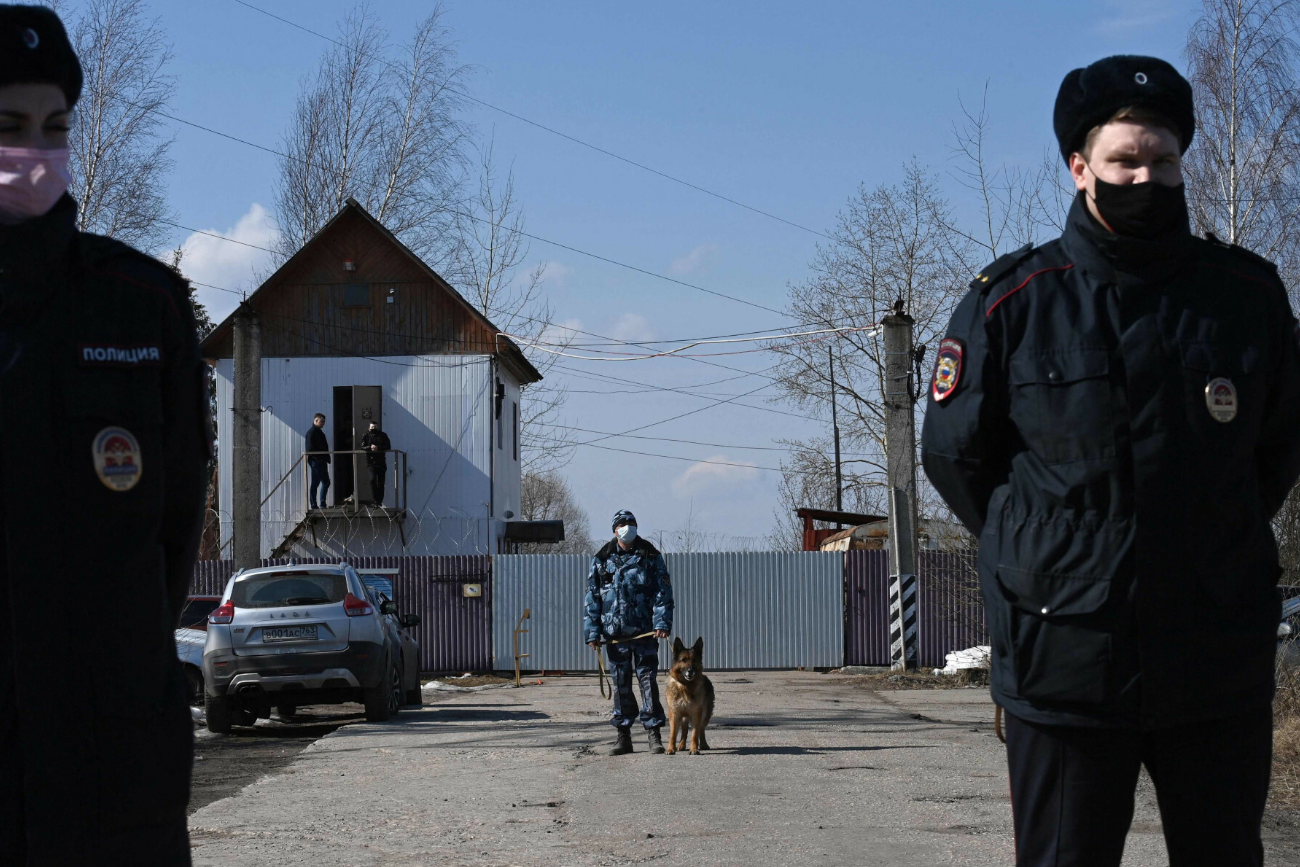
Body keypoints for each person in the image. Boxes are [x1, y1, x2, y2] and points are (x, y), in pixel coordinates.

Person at [921, 54, 1300, 867]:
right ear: (1079, 166)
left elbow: (1278, 446)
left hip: (1214, 660)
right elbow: (956, 455)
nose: (1146, 178)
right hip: (1066, 663)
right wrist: (1046, 551)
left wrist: (1214, 533)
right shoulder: (1013, 303)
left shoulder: (1245, 297)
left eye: (1163, 160)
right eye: (1125, 160)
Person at [0, 6, 209, 864]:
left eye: (53, 127)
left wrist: (112, 647)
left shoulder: (141, 306)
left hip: (113, 774)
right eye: (9, 126)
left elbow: (175, 530)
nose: (34, 152)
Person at [583, 510, 673, 755]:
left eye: (631, 523)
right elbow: (592, 597)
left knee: (647, 681)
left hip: (644, 633)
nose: (628, 527)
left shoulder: (650, 555)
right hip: (615, 635)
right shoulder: (602, 558)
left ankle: (654, 734)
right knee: (621, 684)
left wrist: (661, 623)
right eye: (622, 524)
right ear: (615, 530)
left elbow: (663, 593)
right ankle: (623, 736)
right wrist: (592, 632)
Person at [359, 421, 391, 506]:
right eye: (372, 427)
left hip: (381, 461)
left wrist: (378, 448)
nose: (373, 429)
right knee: (372, 480)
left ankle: (379, 501)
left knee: (381, 483)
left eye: (375, 427)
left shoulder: (383, 435)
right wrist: (370, 447)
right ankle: (375, 499)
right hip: (371, 462)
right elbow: (362, 446)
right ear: (369, 428)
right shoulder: (366, 435)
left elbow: (388, 446)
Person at [306, 412, 330, 509]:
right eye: (322, 421)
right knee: (315, 483)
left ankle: (322, 503)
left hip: (321, 460)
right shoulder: (311, 433)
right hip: (316, 461)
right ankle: (314, 505)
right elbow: (309, 448)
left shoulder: (319, 432)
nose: (323, 423)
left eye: (324, 422)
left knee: (326, 482)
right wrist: (320, 455)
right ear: (316, 420)